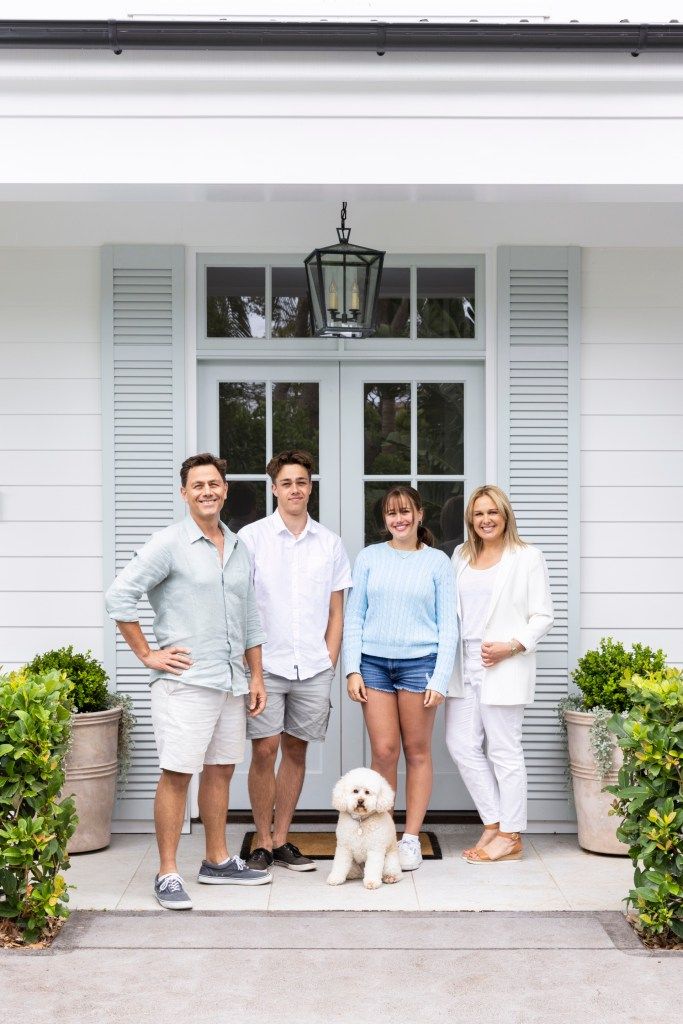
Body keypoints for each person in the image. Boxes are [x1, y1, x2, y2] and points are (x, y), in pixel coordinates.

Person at [105, 453, 272, 910]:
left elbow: (250, 619)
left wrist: (256, 676)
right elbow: (119, 596)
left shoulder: (238, 547)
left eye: (214, 484)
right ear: (184, 493)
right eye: (197, 485)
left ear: (225, 489)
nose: (207, 491)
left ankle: (217, 860)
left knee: (220, 770)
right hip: (186, 682)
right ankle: (167, 871)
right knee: (178, 772)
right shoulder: (168, 543)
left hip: (230, 681)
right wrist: (147, 654)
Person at [238, 450, 352, 872]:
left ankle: (283, 839)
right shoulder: (251, 539)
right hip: (266, 665)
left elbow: (337, 610)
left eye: (301, 481)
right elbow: (243, 607)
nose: (295, 489)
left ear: (310, 486)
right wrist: (252, 669)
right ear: (274, 488)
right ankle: (262, 842)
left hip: (313, 666)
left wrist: (330, 659)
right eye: (286, 483)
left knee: (297, 751)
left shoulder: (330, 543)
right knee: (264, 750)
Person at [343, 486, 457, 872]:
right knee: (385, 752)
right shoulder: (369, 557)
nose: (399, 519)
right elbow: (354, 617)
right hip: (373, 664)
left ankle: (410, 839)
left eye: (405, 511)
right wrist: (352, 668)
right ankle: (382, 836)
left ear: (420, 514)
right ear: (385, 520)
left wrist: (440, 677)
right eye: (391, 513)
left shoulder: (438, 562)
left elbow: (449, 626)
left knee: (418, 751)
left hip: (419, 664)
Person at [444, 485, 554, 864]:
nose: (486, 520)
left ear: (505, 515)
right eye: (478, 514)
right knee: (461, 744)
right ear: (470, 520)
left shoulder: (527, 557)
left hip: (503, 664)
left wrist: (513, 645)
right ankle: (493, 822)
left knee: (505, 750)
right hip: (464, 664)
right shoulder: (460, 555)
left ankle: (511, 835)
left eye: (492, 512)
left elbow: (543, 615)